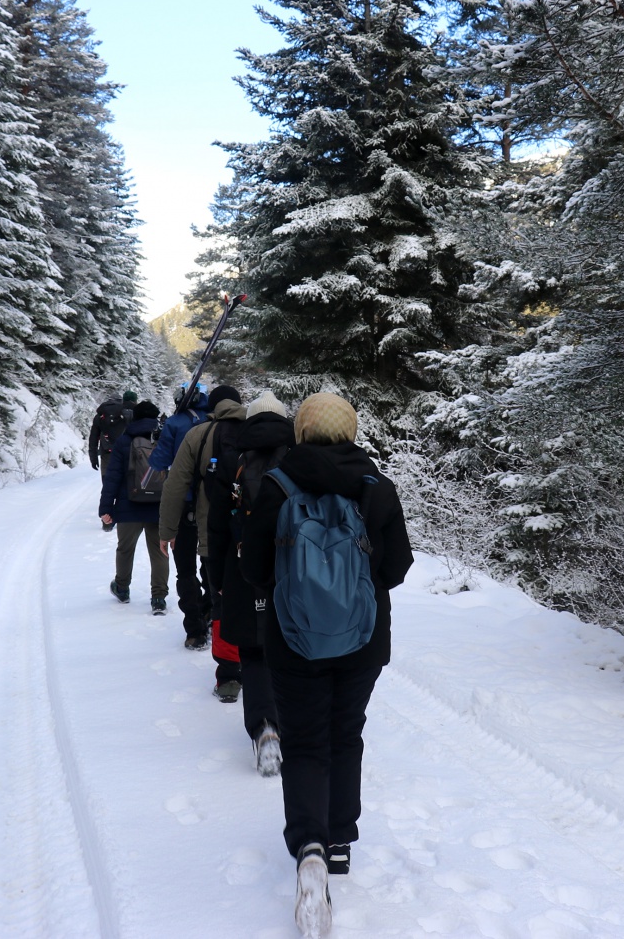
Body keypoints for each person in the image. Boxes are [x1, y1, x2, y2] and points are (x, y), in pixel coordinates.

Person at [239, 393, 413, 939]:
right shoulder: (376, 487)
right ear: (351, 429)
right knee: (346, 733)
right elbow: (399, 565)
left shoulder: (277, 486)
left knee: (306, 741)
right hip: (364, 641)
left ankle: (309, 847)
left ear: (302, 430)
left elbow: (255, 568)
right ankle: (339, 841)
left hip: (293, 641)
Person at [218, 391, 294, 774]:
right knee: (292, 648)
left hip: (244, 566)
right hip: (292, 567)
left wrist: (216, 580)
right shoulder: (299, 458)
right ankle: (295, 723)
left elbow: (217, 524)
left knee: (253, 651)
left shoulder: (232, 458)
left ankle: (264, 727)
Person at [157, 385, 246, 700]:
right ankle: (259, 666)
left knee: (222, 603)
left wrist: (166, 530)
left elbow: (175, 484)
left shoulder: (198, 435)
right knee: (257, 600)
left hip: (211, 534)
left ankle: (229, 677)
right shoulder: (258, 430)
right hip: (253, 536)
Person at [148, 382, 210, 647]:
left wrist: (161, 438)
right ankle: (209, 610)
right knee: (211, 565)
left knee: (185, 569)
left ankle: (195, 629)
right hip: (211, 503)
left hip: (182, 502)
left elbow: (158, 462)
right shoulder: (214, 422)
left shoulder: (174, 424)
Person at [99, 400, 170, 614]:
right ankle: (158, 598)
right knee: (160, 552)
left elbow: (112, 477)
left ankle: (122, 588)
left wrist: (106, 508)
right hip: (158, 507)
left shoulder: (124, 440)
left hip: (128, 504)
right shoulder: (164, 439)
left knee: (125, 549)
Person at [88, 390, 137, 478]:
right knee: (124, 485)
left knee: (107, 483)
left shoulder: (100, 415)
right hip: (125, 454)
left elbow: (93, 439)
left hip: (107, 454)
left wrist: (93, 458)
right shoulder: (126, 413)